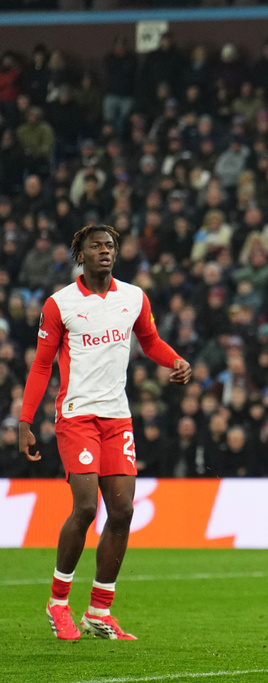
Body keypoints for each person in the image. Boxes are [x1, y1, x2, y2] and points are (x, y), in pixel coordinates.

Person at [20, 224, 191, 641]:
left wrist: (175, 360)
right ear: (80, 254)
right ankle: (58, 602)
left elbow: (150, 341)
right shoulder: (61, 304)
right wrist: (25, 421)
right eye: (96, 246)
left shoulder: (133, 297)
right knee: (85, 507)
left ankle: (99, 610)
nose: (105, 251)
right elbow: (42, 365)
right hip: (77, 416)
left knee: (123, 511)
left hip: (117, 418)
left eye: (110, 245)